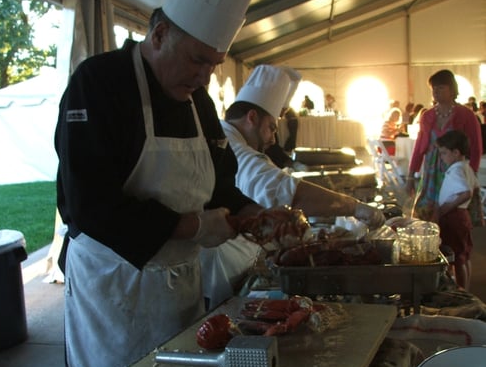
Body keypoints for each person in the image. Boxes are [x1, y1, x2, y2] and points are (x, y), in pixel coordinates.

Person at [53, 0, 261, 367]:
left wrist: (256, 213)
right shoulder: (99, 82)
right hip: (113, 287)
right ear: (160, 34)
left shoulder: (198, 100)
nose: (204, 76)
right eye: (197, 60)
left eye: (213, 65)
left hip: (180, 286)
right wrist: (194, 226)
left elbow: (219, 185)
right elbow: (90, 204)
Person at [201, 65, 386, 308]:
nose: (272, 140)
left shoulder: (232, 140)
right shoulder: (234, 148)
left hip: (233, 263)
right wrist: (353, 207)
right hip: (220, 272)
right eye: (271, 128)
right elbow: (281, 190)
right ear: (252, 118)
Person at [405, 69, 482, 222]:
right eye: (433, 88)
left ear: (452, 89)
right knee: (427, 216)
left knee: (453, 214)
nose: (435, 91)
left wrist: (471, 174)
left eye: (440, 87)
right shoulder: (427, 115)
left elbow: (476, 147)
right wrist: (410, 175)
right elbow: (419, 147)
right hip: (431, 172)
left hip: (454, 171)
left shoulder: (466, 114)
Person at [434, 130, 479, 290]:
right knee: (464, 255)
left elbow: (466, 191)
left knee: (457, 257)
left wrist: (444, 209)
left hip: (454, 217)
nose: (442, 157)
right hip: (462, 216)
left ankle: (461, 290)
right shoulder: (466, 167)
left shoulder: (456, 171)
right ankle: (465, 288)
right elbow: (475, 187)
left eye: (444, 153)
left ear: (456, 152)